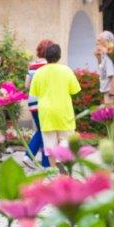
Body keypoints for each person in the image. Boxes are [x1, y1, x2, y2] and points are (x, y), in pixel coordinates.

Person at [29, 43, 81, 160]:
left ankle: (53, 173)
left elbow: (34, 93)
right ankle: (63, 164)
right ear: (59, 56)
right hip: (64, 112)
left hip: (46, 113)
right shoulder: (66, 70)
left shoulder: (39, 72)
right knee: (67, 141)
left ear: (45, 56)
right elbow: (75, 91)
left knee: (50, 147)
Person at [25, 39, 52, 168]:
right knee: (45, 131)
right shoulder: (49, 65)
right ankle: (29, 156)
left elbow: (27, 85)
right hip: (44, 101)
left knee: (42, 130)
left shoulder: (32, 66)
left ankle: (45, 162)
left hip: (32, 102)